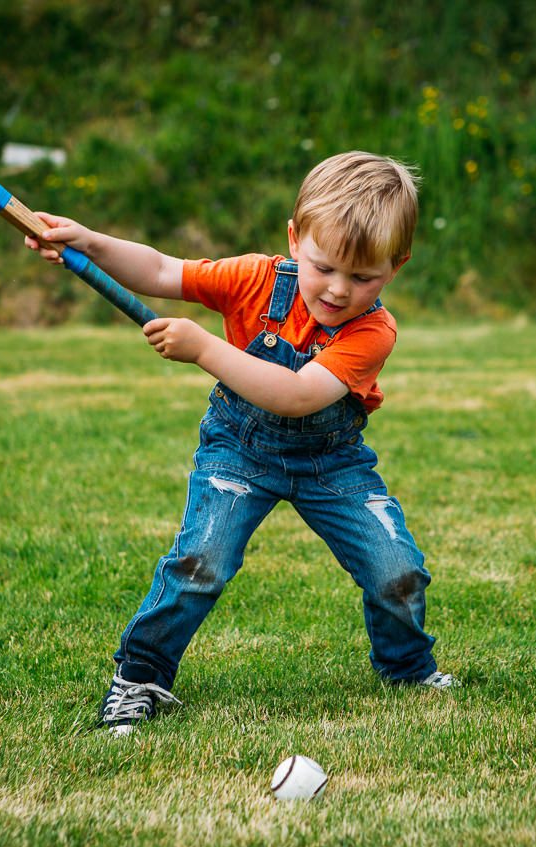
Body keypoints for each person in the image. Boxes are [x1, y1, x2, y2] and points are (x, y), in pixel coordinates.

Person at [25, 151, 457, 735]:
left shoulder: (373, 330)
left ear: (396, 267)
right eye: (324, 267)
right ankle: (140, 677)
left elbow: (298, 395)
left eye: (363, 278)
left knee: (396, 568)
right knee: (200, 561)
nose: (338, 290)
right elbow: (160, 272)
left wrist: (204, 349)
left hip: (331, 462)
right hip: (240, 448)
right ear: (294, 238)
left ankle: (407, 669)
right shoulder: (255, 279)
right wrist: (90, 243)